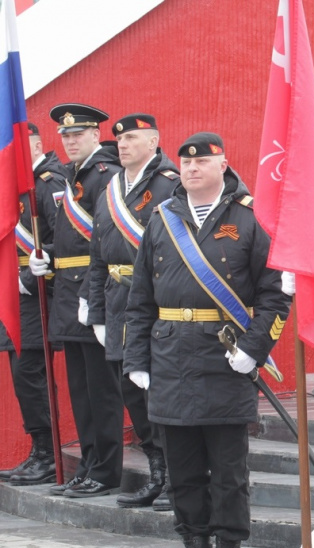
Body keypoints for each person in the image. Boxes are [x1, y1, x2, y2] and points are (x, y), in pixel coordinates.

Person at [123, 132, 290, 548]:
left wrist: (255, 349)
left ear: (223, 165)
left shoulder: (250, 217)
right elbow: (140, 299)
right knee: (184, 474)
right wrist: (137, 359)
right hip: (171, 359)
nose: (192, 168)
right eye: (186, 162)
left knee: (229, 475)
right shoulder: (162, 219)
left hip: (225, 361)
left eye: (204, 161)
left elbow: (275, 295)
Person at [29, 103, 125, 498]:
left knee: (101, 390)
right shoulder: (72, 175)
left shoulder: (105, 175)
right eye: (65, 136)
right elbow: (69, 238)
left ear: (95, 136)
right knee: (81, 391)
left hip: (93, 291)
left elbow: (107, 240)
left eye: (78, 135)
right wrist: (48, 256)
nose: (70, 142)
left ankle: (105, 470)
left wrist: (91, 294)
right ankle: (89, 464)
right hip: (69, 293)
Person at [84, 114, 179, 509]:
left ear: (154, 141)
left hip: (155, 303)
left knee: (159, 392)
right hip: (118, 301)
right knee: (131, 391)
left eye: (132, 137)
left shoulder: (169, 185)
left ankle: (178, 478)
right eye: (119, 139)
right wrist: (96, 310)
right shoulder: (110, 189)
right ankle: (157, 473)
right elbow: (97, 253)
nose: (122, 144)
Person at [0, 123, 65, 485]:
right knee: (22, 375)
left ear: (38, 145)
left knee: (30, 374)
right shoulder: (15, 186)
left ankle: (48, 454)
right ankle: (39, 450)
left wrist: (27, 279)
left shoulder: (49, 183)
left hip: (38, 292)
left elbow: (66, 240)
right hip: (13, 293)